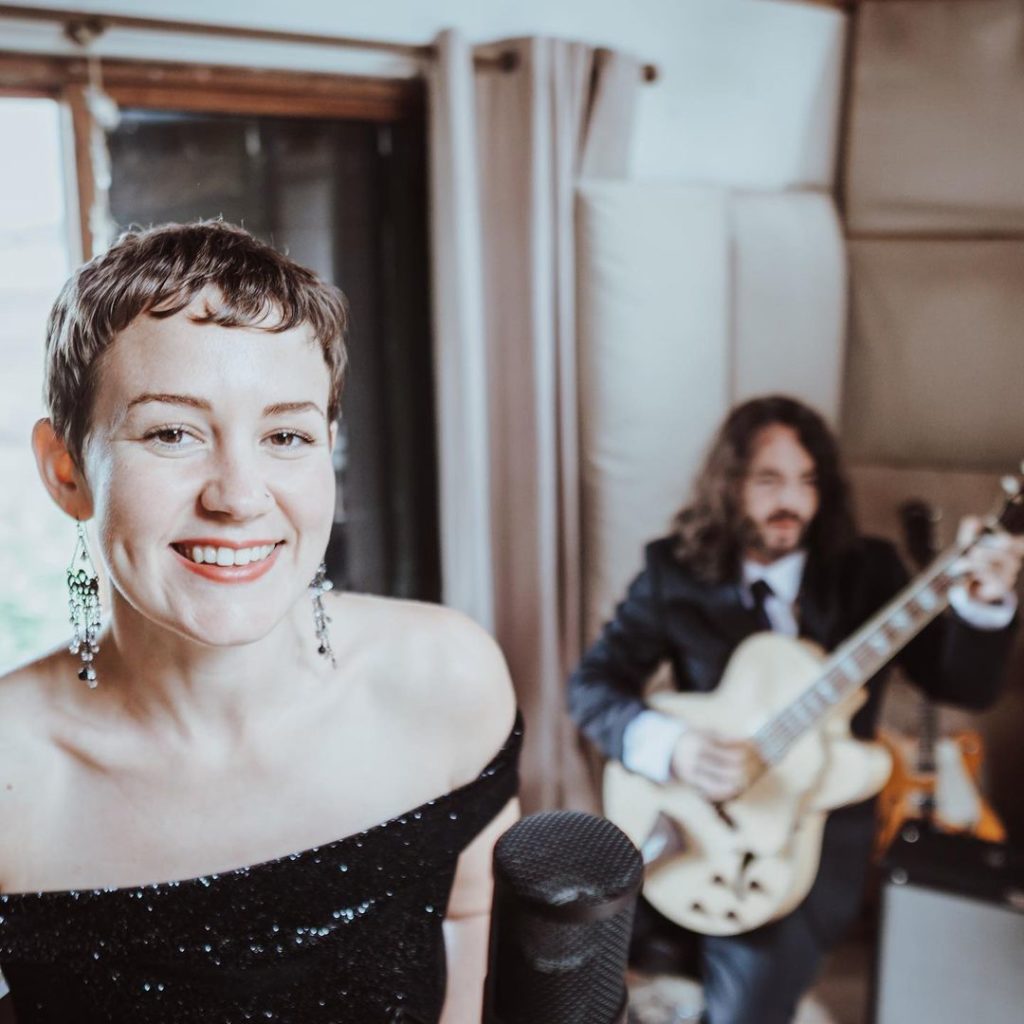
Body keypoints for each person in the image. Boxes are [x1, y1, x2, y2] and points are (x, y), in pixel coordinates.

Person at [0, 221, 519, 1024]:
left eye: (285, 435)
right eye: (172, 433)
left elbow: (474, 914)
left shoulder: (446, 679)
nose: (240, 497)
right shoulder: (13, 775)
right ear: (65, 470)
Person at [568, 395, 1023, 1024]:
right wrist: (675, 747)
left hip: (809, 844)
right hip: (682, 819)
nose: (792, 501)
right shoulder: (673, 571)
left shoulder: (870, 571)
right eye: (769, 480)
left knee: (745, 1013)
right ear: (729, 484)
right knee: (572, 969)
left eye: (807, 481)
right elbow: (593, 687)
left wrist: (986, 602)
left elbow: (961, 686)